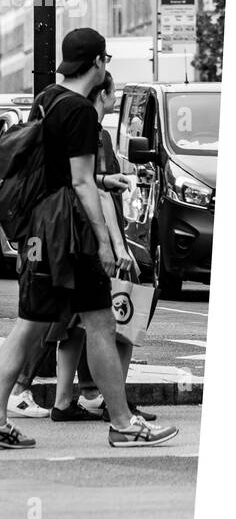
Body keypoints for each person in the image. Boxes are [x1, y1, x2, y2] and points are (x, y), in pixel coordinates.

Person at [0, 29, 178, 449]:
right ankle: (123, 423)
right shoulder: (83, 112)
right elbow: (83, 185)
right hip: (69, 232)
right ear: (100, 62)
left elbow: (59, 170)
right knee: (100, 323)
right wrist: (104, 244)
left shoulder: (47, 98)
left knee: (29, 324)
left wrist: (106, 177)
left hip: (38, 228)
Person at [49, 72, 157, 423]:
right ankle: (117, 407)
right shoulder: (93, 131)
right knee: (119, 314)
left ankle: (67, 400)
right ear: (103, 93)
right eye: (113, 95)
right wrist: (115, 247)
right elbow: (99, 196)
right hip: (94, 239)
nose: (115, 103)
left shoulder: (62, 118)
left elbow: (87, 181)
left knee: (73, 323)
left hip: (66, 235)